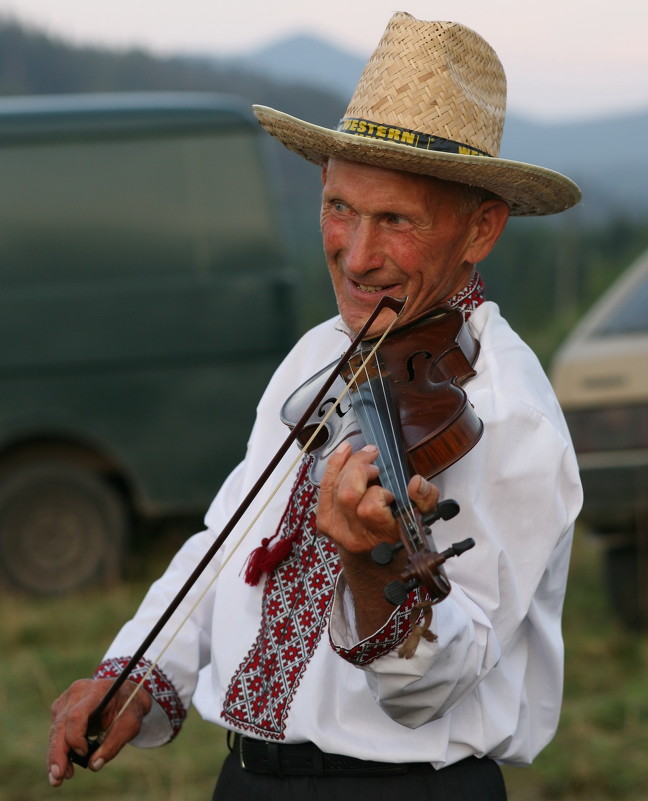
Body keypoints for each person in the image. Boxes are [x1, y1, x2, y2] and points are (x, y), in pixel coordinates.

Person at [47, 12, 583, 800]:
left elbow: (432, 689)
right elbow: (230, 537)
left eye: (396, 220)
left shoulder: (508, 416)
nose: (357, 256)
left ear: (481, 228)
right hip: (250, 778)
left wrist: (377, 566)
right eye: (340, 208)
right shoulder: (320, 352)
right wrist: (142, 670)